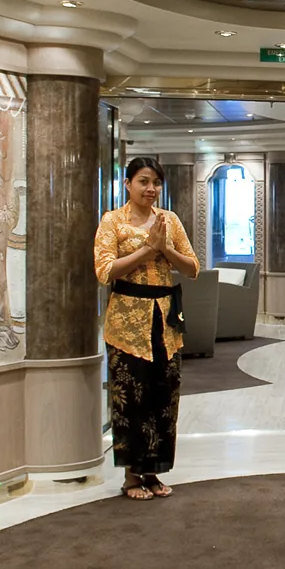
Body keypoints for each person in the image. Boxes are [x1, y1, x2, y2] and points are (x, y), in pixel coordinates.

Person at [94, 157, 198, 500]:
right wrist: (146, 250)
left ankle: (153, 471)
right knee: (131, 398)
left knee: (162, 396)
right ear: (127, 184)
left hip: (165, 321)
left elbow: (193, 267)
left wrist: (164, 247)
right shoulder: (113, 221)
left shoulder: (169, 221)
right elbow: (105, 271)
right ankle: (131, 476)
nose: (150, 189)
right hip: (126, 322)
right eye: (143, 181)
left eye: (155, 182)